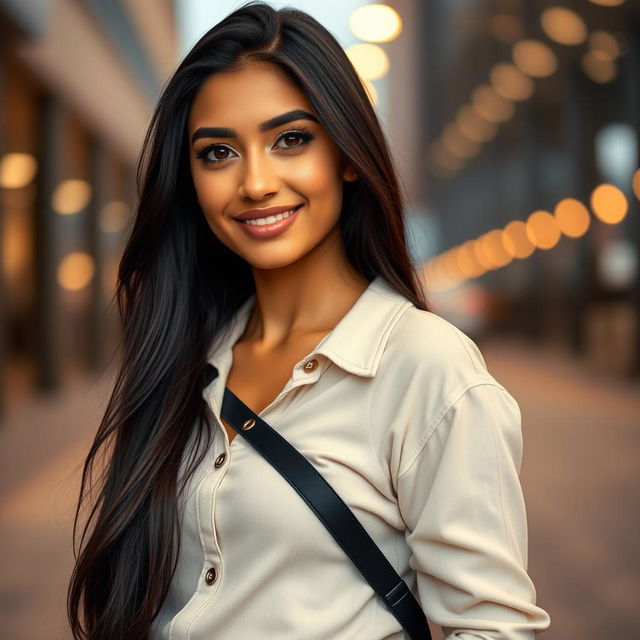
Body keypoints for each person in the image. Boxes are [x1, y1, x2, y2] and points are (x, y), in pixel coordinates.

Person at [67, 2, 551, 639]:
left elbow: (491, 628)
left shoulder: (426, 367)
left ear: (346, 155)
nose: (256, 182)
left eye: (290, 139)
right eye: (218, 153)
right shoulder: (185, 353)